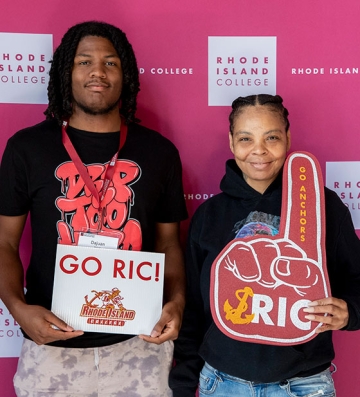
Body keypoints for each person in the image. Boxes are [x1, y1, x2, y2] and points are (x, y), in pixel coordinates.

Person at [0, 21, 187, 396]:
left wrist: (178, 302)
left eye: (110, 63)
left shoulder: (159, 152)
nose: (98, 72)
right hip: (52, 346)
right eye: (84, 62)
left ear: (127, 74)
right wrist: (17, 308)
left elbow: (169, 244)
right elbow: (5, 241)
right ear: (65, 72)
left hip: (139, 345)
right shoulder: (27, 148)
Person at [169, 94, 360, 397]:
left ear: (288, 138)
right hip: (221, 382)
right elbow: (191, 308)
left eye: (271, 137)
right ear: (231, 142)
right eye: (246, 138)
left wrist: (351, 311)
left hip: (304, 384)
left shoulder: (323, 206)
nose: (259, 150)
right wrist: (182, 384)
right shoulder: (210, 215)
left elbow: (356, 278)